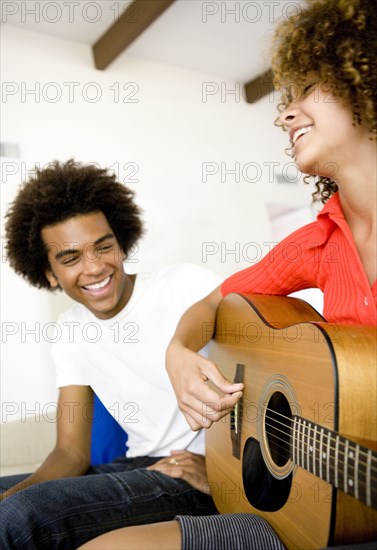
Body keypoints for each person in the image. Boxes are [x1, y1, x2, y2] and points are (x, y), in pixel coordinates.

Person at [78, 0, 377, 548]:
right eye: (283, 102)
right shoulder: (315, 243)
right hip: (311, 507)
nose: (283, 115)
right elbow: (215, 304)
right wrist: (178, 353)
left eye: (307, 88)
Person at [0, 159, 221, 549]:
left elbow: (270, 363)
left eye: (104, 247)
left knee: (18, 516)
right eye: (70, 259)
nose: (95, 267)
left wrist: (224, 471)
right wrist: (9, 497)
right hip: (140, 465)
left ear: (121, 243)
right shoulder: (69, 332)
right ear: (49, 273)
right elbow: (70, 451)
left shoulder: (185, 285)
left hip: (192, 475)